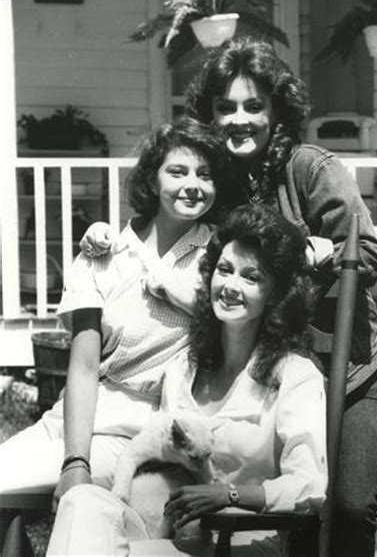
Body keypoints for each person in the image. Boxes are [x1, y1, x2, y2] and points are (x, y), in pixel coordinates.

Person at [82, 37, 377, 556]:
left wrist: (307, 254)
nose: (239, 119)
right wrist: (106, 235)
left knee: (345, 508)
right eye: (225, 107)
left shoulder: (310, 168)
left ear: (277, 111)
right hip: (262, 379)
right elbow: (167, 223)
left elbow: (367, 255)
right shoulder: (219, 181)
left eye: (254, 105)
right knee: (265, 514)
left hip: (346, 374)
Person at [47, 204, 327, 556]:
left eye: (251, 277)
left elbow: (310, 488)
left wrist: (229, 494)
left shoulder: (294, 377)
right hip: (169, 532)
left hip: (241, 540)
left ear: (276, 294)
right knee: (82, 502)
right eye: (224, 270)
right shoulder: (184, 367)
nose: (230, 285)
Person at [0, 116, 227, 512]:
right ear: (153, 181)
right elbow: (84, 367)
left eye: (204, 175)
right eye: (177, 171)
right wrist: (75, 460)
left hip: (139, 430)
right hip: (74, 420)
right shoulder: (104, 255)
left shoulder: (220, 257)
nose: (193, 184)